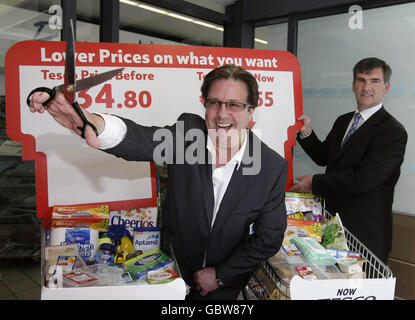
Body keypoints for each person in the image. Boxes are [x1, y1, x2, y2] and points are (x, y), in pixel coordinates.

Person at [29, 64, 288, 300]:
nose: (222, 114)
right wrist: (88, 121)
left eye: (233, 104)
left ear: (250, 110)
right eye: (214, 103)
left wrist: (219, 274)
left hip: (224, 284)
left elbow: (268, 238)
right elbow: (141, 139)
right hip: (169, 271)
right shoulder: (188, 135)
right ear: (204, 104)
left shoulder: (270, 167)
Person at [289, 57, 407, 264]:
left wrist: (314, 183)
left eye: (374, 81)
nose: (366, 87)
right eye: (361, 80)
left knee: (362, 291)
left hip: (365, 235)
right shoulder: (344, 121)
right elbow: (324, 156)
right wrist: (306, 133)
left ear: (386, 87)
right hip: (333, 226)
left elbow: (365, 179)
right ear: (353, 85)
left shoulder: (392, 132)